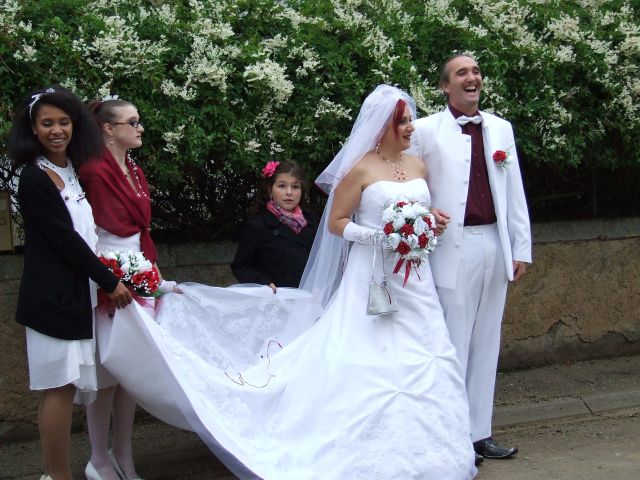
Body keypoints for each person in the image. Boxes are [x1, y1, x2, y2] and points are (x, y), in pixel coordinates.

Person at [96, 84, 478, 479]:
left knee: (429, 352)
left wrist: (428, 222)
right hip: (373, 277)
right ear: (382, 126)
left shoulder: (417, 167)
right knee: (369, 355)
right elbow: (337, 223)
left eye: (410, 120)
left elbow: (419, 212)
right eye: (402, 121)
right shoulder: (361, 168)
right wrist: (380, 237)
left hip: (415, 279)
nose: (410, 128)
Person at [7, 87, 132, 480]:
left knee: (67, 387)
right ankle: (56, 475)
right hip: (51, 301)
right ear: (33, 128)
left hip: (73, 298)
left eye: (64, 122)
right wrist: (109, 280)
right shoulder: (33, 178)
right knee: (58, 389)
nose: (57, 130)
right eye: (47, 123)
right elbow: (65, 240)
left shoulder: (68, 171)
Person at [413, 54, 532, 461]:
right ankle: (452, 434)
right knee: (454, 341)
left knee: (487, 341)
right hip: (451, 247)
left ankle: (480, 433)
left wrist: (521, 248)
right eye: (462, 72)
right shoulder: (425, 130)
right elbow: (407, 183)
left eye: (476, 71)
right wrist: (423, 213)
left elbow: (513, 190)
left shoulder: (501, 128)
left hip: (495, 245)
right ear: (446, 86)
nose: (472, 77)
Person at [78, 96, 176, 480]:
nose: (140, 128)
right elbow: (90, 232)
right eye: (132, 122)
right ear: (108, 128)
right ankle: (98, 457)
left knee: (130, 376)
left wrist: (154, 275)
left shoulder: (132, 168)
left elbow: (139, 231)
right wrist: (112, 274)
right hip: (109, 276)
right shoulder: (93, 170)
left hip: (139, 269)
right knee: (107, 375)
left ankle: (123, 453)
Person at [231, 159, 318, 292]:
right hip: (275, 301)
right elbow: (241, 266)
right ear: (270, 190)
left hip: (309, 299)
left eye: (295, 187)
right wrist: (262, 283)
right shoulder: (258, 225)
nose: (289, 192)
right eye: (282, 186)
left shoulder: (311, 220)